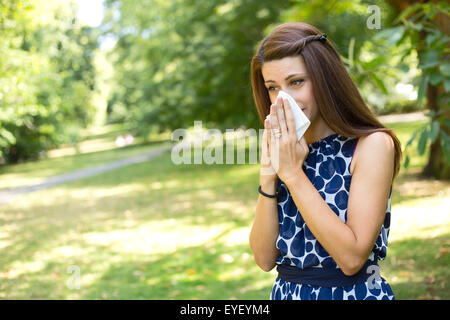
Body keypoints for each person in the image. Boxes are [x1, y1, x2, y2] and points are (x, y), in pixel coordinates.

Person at [248, 22, 402, 300]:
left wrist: (293, 176)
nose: (285, 99)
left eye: (296, 82)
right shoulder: (287, 149)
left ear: (324, 79)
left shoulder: (372, 146)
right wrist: (268, 176)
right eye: (273, 87)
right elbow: (264, 258)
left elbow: (352, 258)